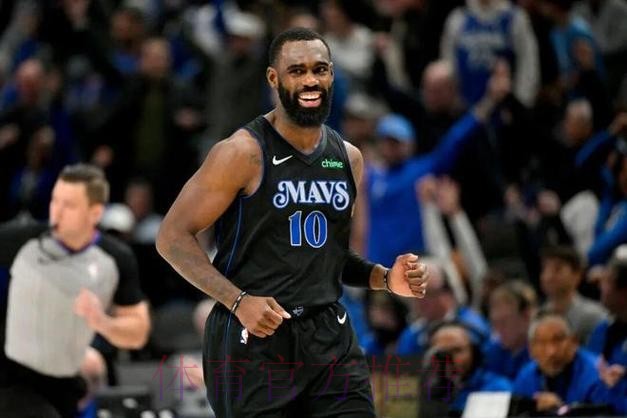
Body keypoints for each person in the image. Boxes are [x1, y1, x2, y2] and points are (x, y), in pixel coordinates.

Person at [155, 27, 429, 418]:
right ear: (273, 78)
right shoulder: (242, 153)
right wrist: (237, 300)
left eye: (319, 69)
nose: (310, 80)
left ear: (331, 75)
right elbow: (171, 238)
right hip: (254, 337)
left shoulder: (348, 158)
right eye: (297, 71)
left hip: (328, 335)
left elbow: (329, 258)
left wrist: (384, 278)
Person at [0, 163, 150, 418]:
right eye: (55, 201)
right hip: (12, 380)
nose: (57, 212)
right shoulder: (23, 240)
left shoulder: (116, 258)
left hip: (64, 384)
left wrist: (102, 321)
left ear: (95, 212)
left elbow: (137, 332)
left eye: (69, 205)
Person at [513, 312, 609, 414]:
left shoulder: (597, 374)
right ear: (531, 349)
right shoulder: (525, 377)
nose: (551, 352)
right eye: (542, 342)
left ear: (574, 342)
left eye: (558, 340)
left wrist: (561, 410)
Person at [423, 321, 511, 414]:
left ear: (473, 351)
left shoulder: (496, 388)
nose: (449, 358)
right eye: (442, 352)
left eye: (457, 350)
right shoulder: (426, 390)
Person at [484, 280, 537, 380]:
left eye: (504, 322)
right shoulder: (490, 352)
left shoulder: (541, 353)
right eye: (495, 323)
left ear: (527, 316)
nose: (498, 330)